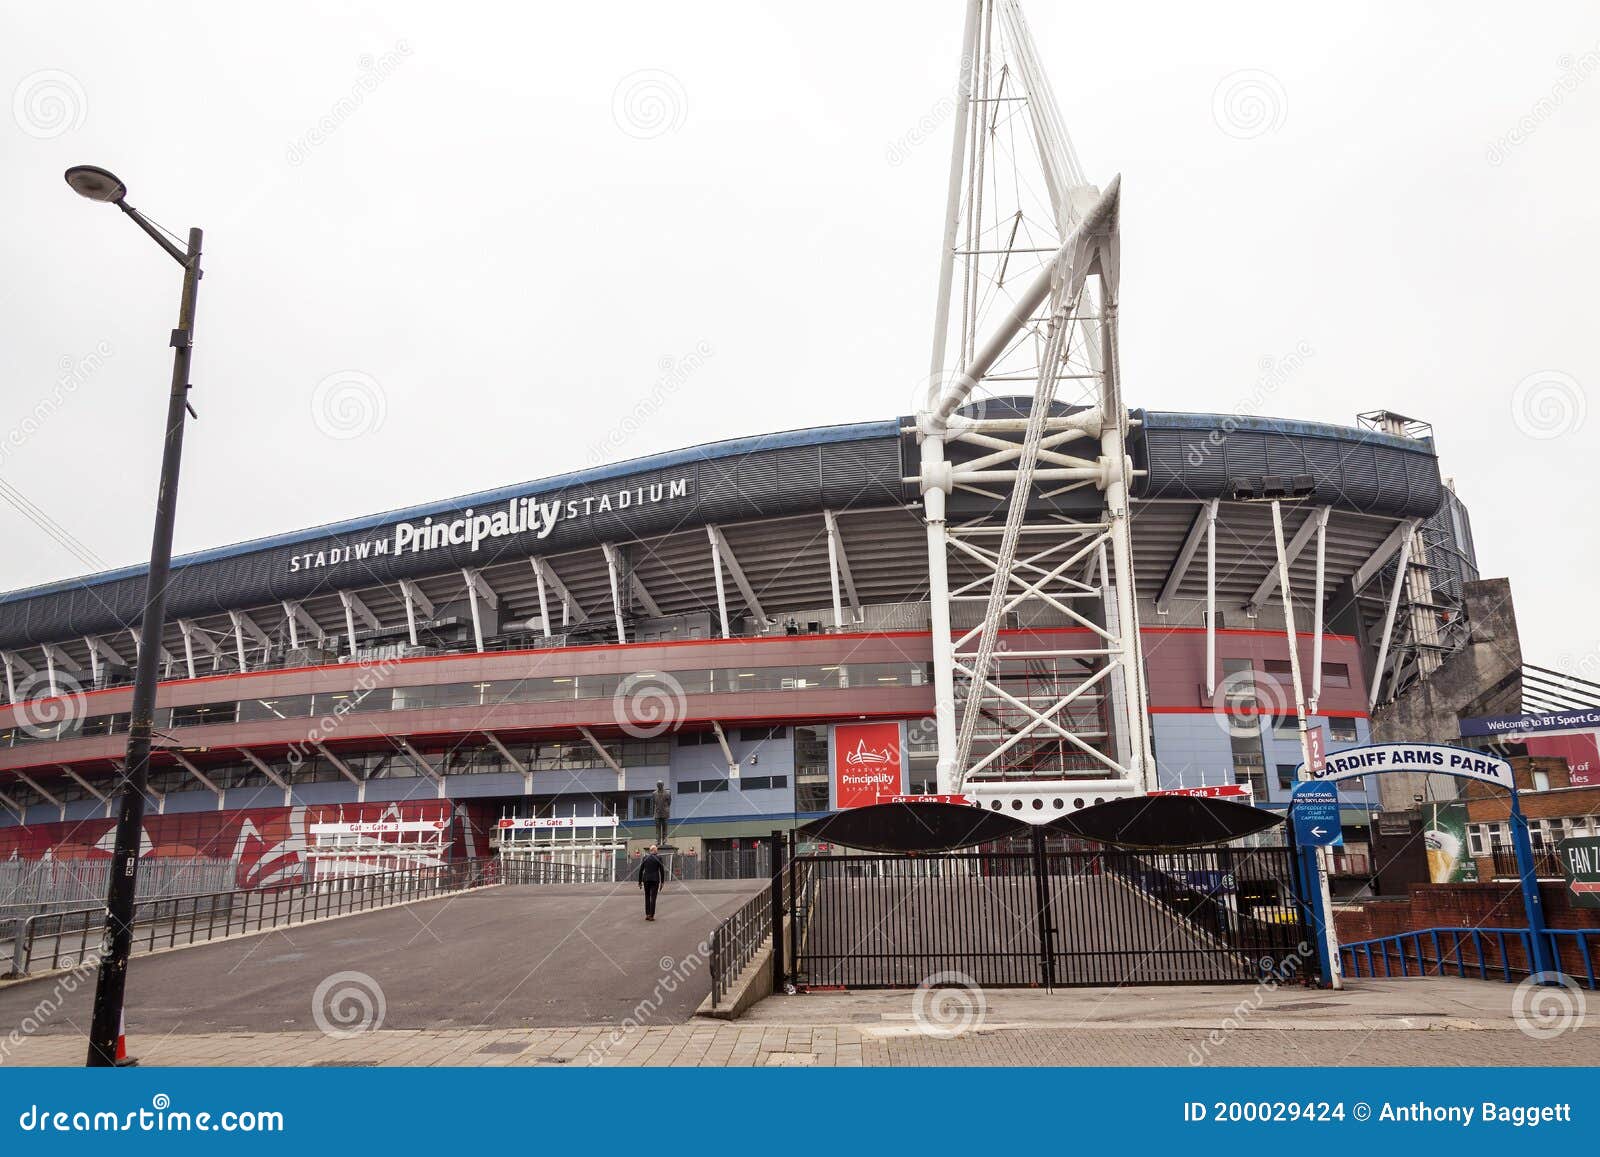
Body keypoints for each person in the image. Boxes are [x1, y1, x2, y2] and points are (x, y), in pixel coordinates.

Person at [637, 844, 666, 921]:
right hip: (655, 880)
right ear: (653, 850)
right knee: (653, 897)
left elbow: (641, 870)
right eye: (656, 850)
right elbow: (661, 870)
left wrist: (640, 882)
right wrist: (662, 881)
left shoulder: (645, 858)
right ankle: (651, 915)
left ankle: (647, 914)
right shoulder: (659, 858)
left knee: (647, 897)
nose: (657, 851)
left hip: (646, 879)